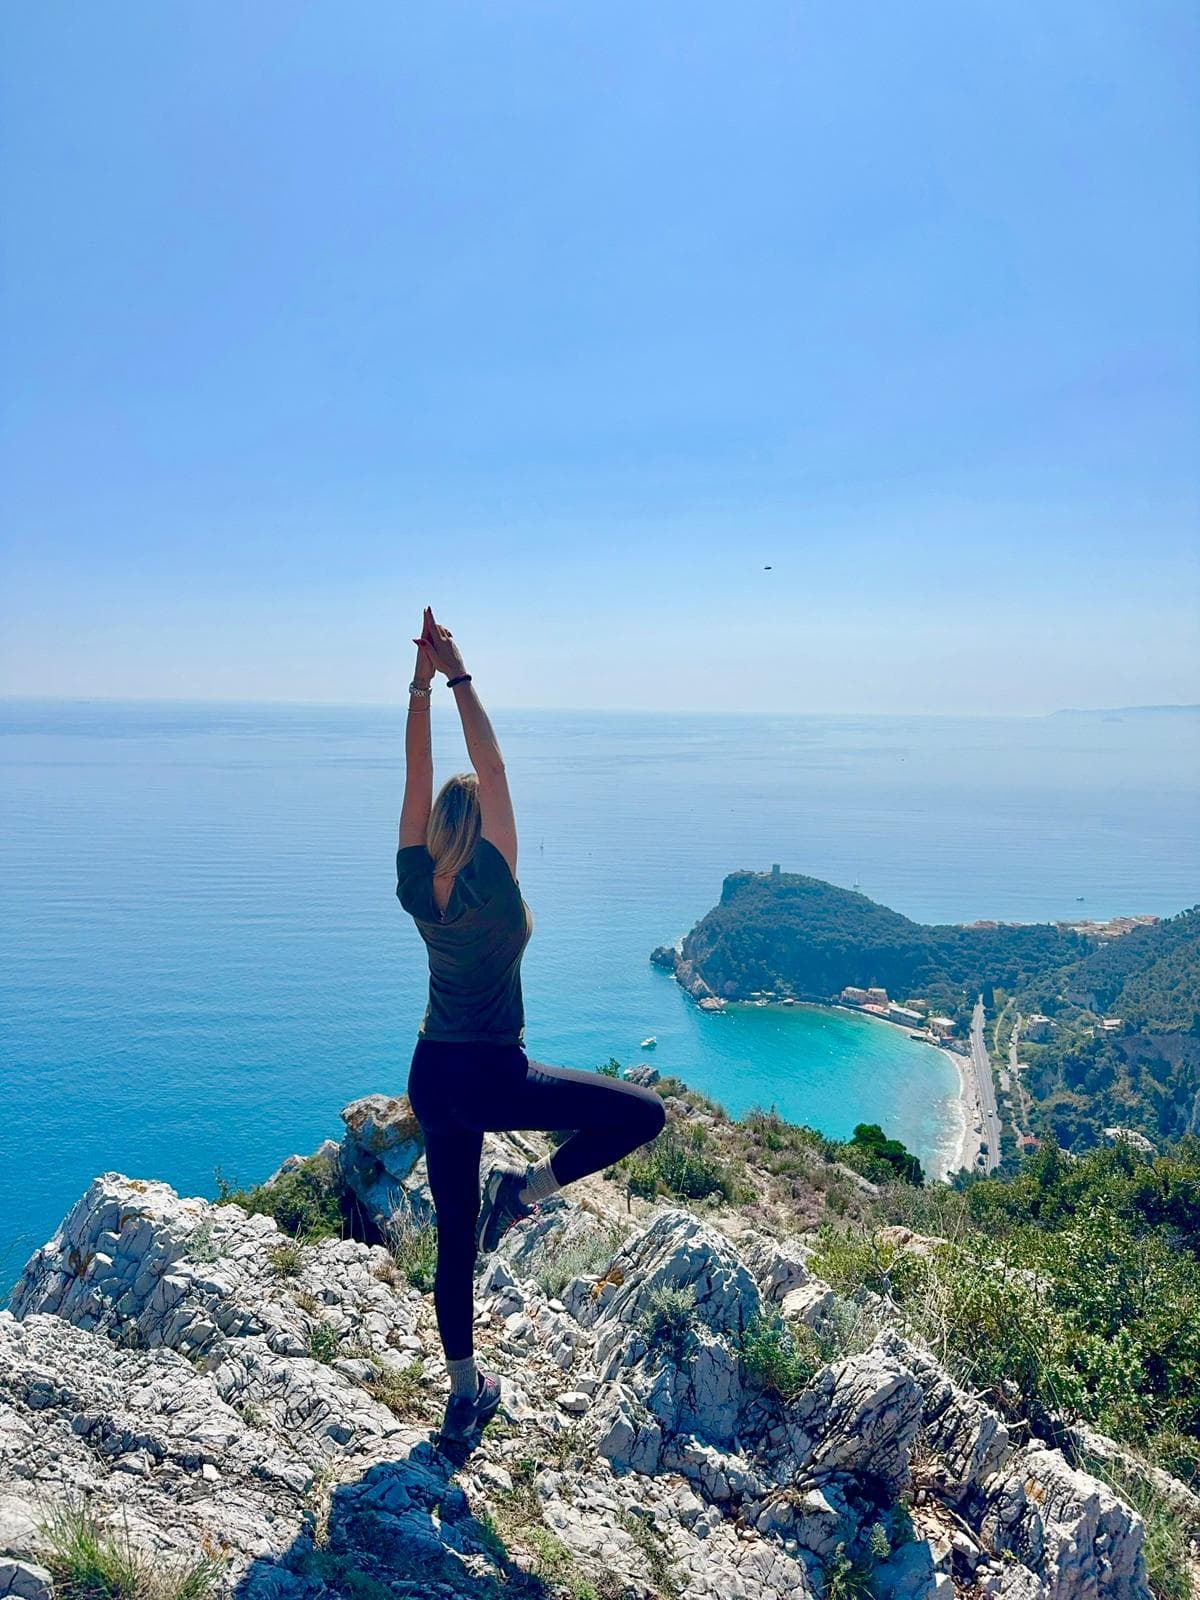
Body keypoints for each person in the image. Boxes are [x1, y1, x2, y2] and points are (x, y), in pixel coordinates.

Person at [397, 606, 667, 1447]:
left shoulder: (415, 882)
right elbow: (492, 761)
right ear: (483, 832)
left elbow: (419, 772)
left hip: (430, 1077)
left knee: (450, 1243)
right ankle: (521, 1193)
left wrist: (418, 686)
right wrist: (459, 674)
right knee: (643, 1113)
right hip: (492, 1077)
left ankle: (462, 1394)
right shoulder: (499, 876)